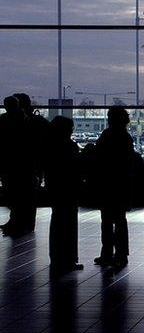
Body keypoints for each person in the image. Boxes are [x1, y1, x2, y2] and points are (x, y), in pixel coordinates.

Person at [94, 107, 134, 268]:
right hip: (120, 184)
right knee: (119, 220)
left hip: (107, 183)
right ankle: (121, 253)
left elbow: (99, 157)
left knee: (107, 220)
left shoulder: (107, 135)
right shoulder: (125, 137)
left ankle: (108, 253)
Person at [46, 116, 84, 273]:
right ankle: (69, 258)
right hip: (69, 189)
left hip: (56, 188)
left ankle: (56, 257)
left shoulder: (50, 146)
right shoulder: (70, 146)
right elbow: (77, 168)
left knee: (57, 222)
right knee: (69, 225)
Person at [15, 93, 49, 232]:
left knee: (18, 193)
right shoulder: (38, 121)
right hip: (33, 163)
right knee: (29, 194)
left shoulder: (15, 122)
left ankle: (19, 221)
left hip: (20, 163)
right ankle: (27, 223)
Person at [0, 96, 27, 234]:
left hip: (8, 162)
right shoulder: (24, 120)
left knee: (10, 192)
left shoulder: (4, 120)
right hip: (20, 162)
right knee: (18, 193)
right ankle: (18, 221)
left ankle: (15, 220)